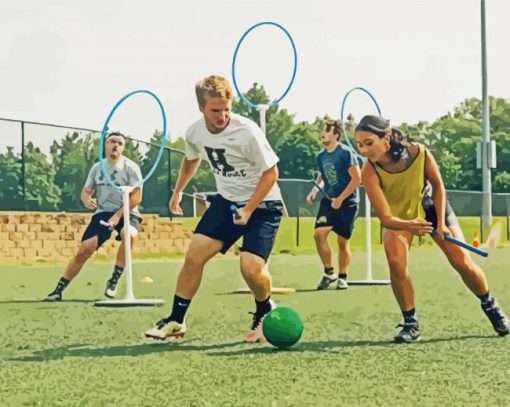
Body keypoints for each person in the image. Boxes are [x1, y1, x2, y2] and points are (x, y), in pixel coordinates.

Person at [144, 75, 283, 343]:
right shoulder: (195, 132)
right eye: (215, 110)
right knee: (194, 256)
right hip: (227, 202)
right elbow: (191, 159)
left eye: (226, 109)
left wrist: (249, 209)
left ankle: (264, 308)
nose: (222, 116)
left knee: (250, 268)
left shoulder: (248, 131)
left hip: (263, 204)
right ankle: (176, 319)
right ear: (201, 108)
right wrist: (178, 191)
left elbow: (271, 173)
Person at [355, 114, 509, 342]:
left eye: (369, 143)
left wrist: (439, 223)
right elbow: (386, 218)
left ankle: (491, 306)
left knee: (461, 261)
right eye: (359, 145)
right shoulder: (369, 171)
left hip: (430, 207)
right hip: (400, 218)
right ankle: (410, 324)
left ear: (386, 138)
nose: (364, 150)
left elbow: (437, 185)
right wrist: (409, 225)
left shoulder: (419, 152)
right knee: (395, 262)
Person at [43, 132, 143, 301]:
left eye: (119, 143)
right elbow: (86, 191)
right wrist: (86, 199)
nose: (115, 145)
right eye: (112, 141)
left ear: (123, 148)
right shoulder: (97, 167)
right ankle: (58, 290)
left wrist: (118, 216)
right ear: (105, 144)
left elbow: (137, 197)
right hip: (103, 212)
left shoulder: (131, 167)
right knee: (85, 249)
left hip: (127, 211)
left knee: (129, 235)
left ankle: (114, 280)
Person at [306, 117, 361, 290]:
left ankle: (342, 276)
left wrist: (341, 199)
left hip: (348, 202)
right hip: (328, 200)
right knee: (319, 234)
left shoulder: (346, 153)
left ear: (336, 135)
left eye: (326, 130)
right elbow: (322, 176)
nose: (322, 133)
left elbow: (356, 179)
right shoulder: (320, 156)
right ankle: (329, 273)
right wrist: (314, 191)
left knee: (342, 242)